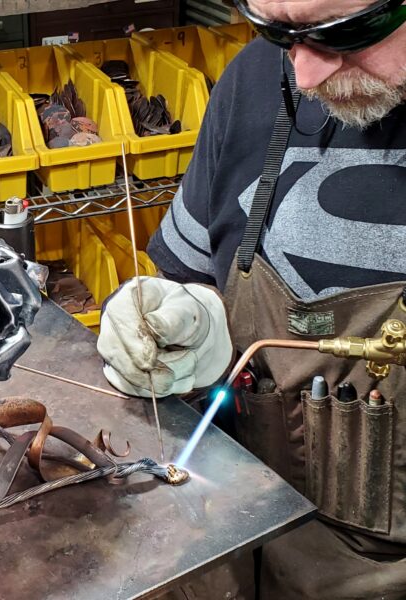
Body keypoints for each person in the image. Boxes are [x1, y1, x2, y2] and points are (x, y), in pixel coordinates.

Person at [97, 1, 406, 598]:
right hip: (229, 541)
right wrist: (188, 315)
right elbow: (200, 270)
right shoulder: (256, 79)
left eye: (342, 33)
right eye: (279, 31)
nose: (305, 74)